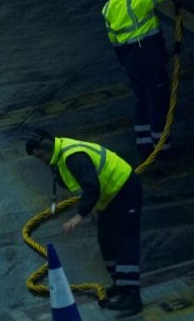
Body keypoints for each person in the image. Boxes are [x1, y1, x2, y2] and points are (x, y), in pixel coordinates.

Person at [26, 134, 145, 314]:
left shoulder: (73, 157)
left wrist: (80, 215)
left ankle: (132, 296)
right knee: (106, 242)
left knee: (124, 243)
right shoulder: (57, 161)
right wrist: (95, 207)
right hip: (107, 198)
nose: (41, 161)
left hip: (124, 190)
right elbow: (84, 188)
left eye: (41, 156)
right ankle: (120, 284)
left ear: (48, 147)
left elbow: (91, 186)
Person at [102, 0, 191, 160]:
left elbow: (114, 41)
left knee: (141, 99)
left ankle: (143, 145)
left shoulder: (108, 8)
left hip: (130, 62)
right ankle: (162, 147)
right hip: (149, 58)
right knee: (158, 100)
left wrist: (124, 65)